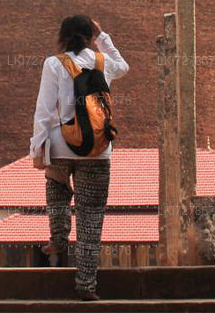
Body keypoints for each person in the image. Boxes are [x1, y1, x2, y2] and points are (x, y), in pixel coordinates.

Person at [29, 15, 129, 301]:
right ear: (90, 36)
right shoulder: (102, 62)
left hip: (61, 145)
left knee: (57, 193)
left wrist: (37, 149)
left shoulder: (54, 64)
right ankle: (86, 285)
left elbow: (44, 111)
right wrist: (103, 38)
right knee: (91, 217)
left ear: (62, 36)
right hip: (99, 149)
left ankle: (59, 238)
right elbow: (124, 66)